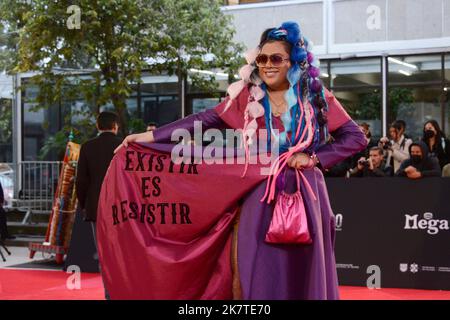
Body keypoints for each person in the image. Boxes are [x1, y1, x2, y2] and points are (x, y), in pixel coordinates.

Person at [113, 21, 367, 300]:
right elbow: (204, 120)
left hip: (307, 196)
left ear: (293, 62)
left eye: (276, 58)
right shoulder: (247, 99)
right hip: (258, 195)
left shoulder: (315, 97)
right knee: (256, 268)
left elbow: (355, 137)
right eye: (261, 59)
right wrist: (151, 137)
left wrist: (314, 158)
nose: (267, 65)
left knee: (305, 274)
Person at [75, 111, 122, 299]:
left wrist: (83, 204)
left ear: (98, 126)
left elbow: (81, 181)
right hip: (122, 205)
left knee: (104, 253)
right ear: (115, 126)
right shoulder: (124, 145)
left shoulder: (87, 147)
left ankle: (109, 294)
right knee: (123, 251)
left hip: (96, 206)